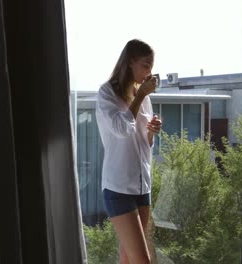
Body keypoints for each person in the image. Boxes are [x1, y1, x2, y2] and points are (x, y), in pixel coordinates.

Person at [95, 39, 162, 264]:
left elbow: (144, 143)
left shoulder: (144, 97)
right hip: (119, 188)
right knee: (142, 260)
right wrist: (141, 95)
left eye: (151, 67)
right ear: (130, 62)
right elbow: (123, 129)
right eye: (145, 65)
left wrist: (151, 132)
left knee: (128, 258)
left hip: (143, 187)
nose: (149, 73)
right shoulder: (106, 94)